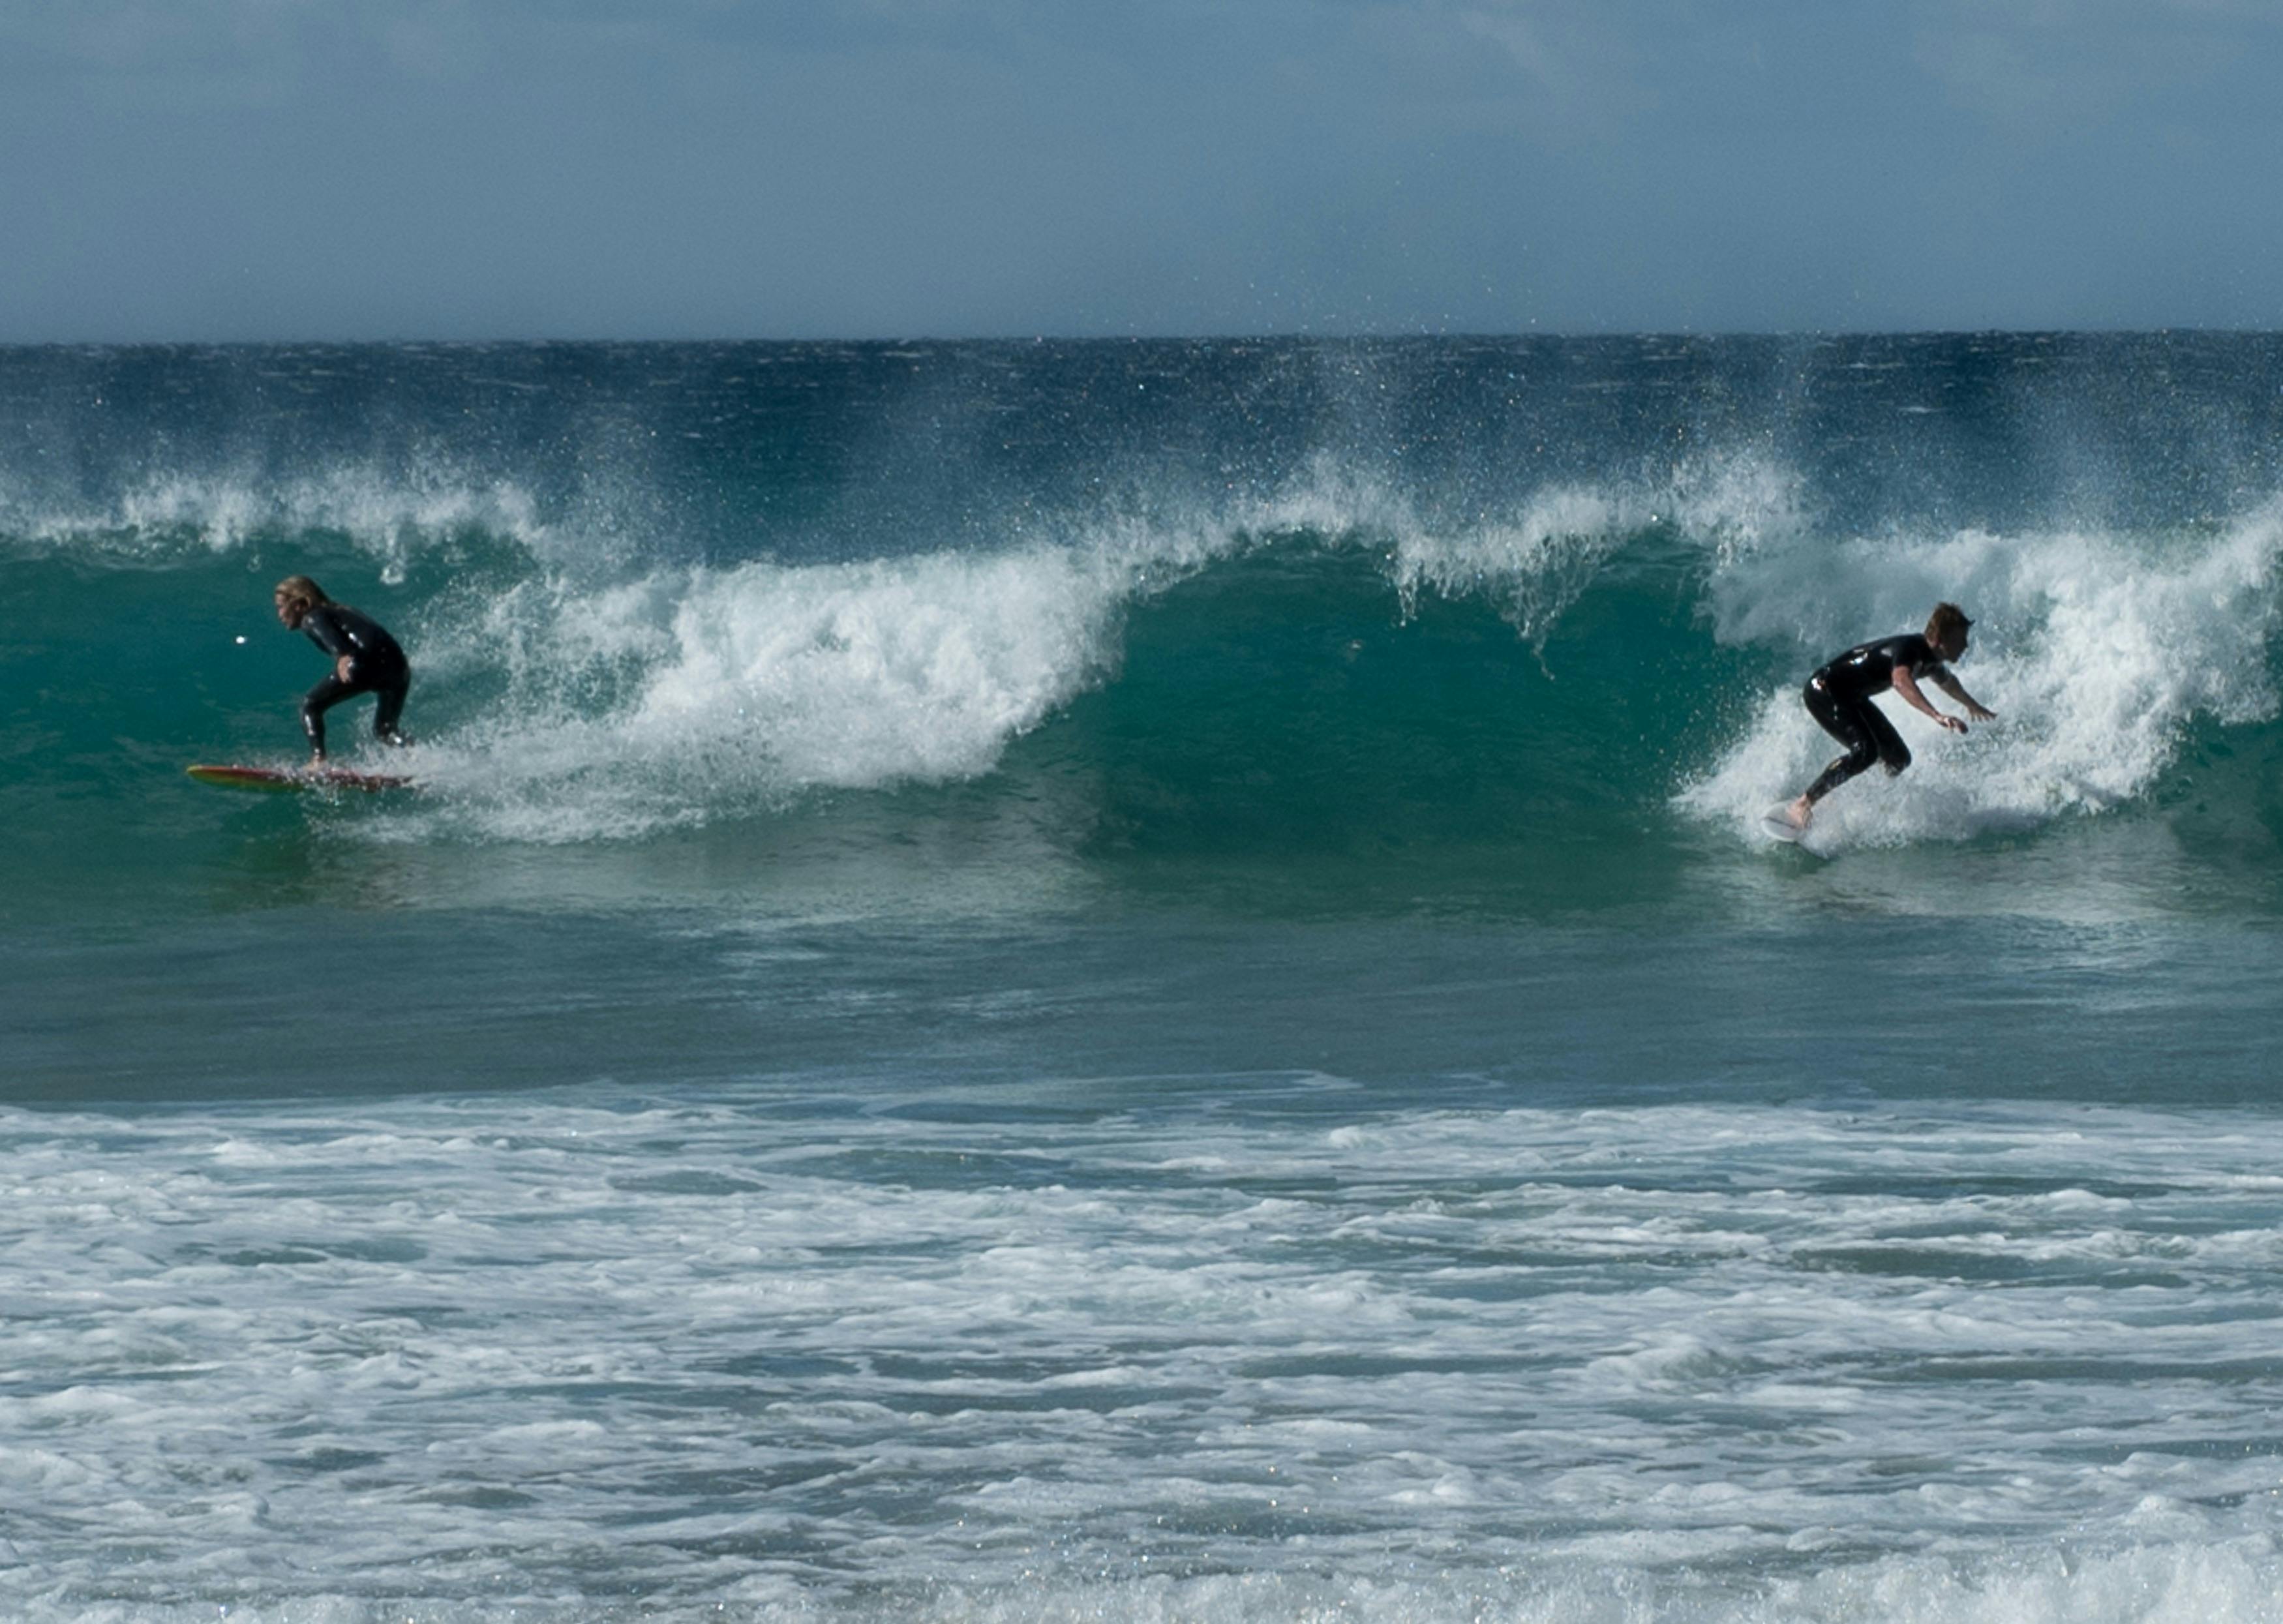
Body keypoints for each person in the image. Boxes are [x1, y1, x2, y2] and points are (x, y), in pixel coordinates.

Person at [1775, 601, 1994, 834]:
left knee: (1898, 759)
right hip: (1825, 690)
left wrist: (1974, 706)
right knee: (1865, 751)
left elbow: (1949, 683)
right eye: (1961, 639)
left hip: (1853, 698)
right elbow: (1901, 680)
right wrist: (1936, 716)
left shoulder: (1932, 662)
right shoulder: (1910, 648)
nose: (1966, 645)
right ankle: (1804, 803)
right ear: (1941, 638)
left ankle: (1842, 796)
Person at [273, 575, 412, 762]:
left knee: (310, 706)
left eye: (281, 607)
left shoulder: (311, 617)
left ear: (299, 605)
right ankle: (420, 755)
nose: (279, 614)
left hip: (363, 663)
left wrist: (342, 656)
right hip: (399, 669)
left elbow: (329, 635)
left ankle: (318, 760)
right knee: (385, 730)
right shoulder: (341, 610)